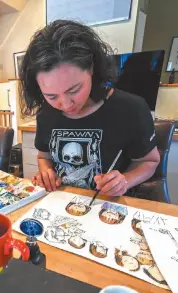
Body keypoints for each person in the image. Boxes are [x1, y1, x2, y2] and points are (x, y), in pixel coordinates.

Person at [20, 20, 160, 195]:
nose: (65, 104)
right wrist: (46, 171)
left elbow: (150, 162)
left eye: (74, 89)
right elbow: (44, 157)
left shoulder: (131, 108)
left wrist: (125, 180)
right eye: (51, 96)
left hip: (109, 208)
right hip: (61, 205)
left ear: (92, 68)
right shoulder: (45, 114)